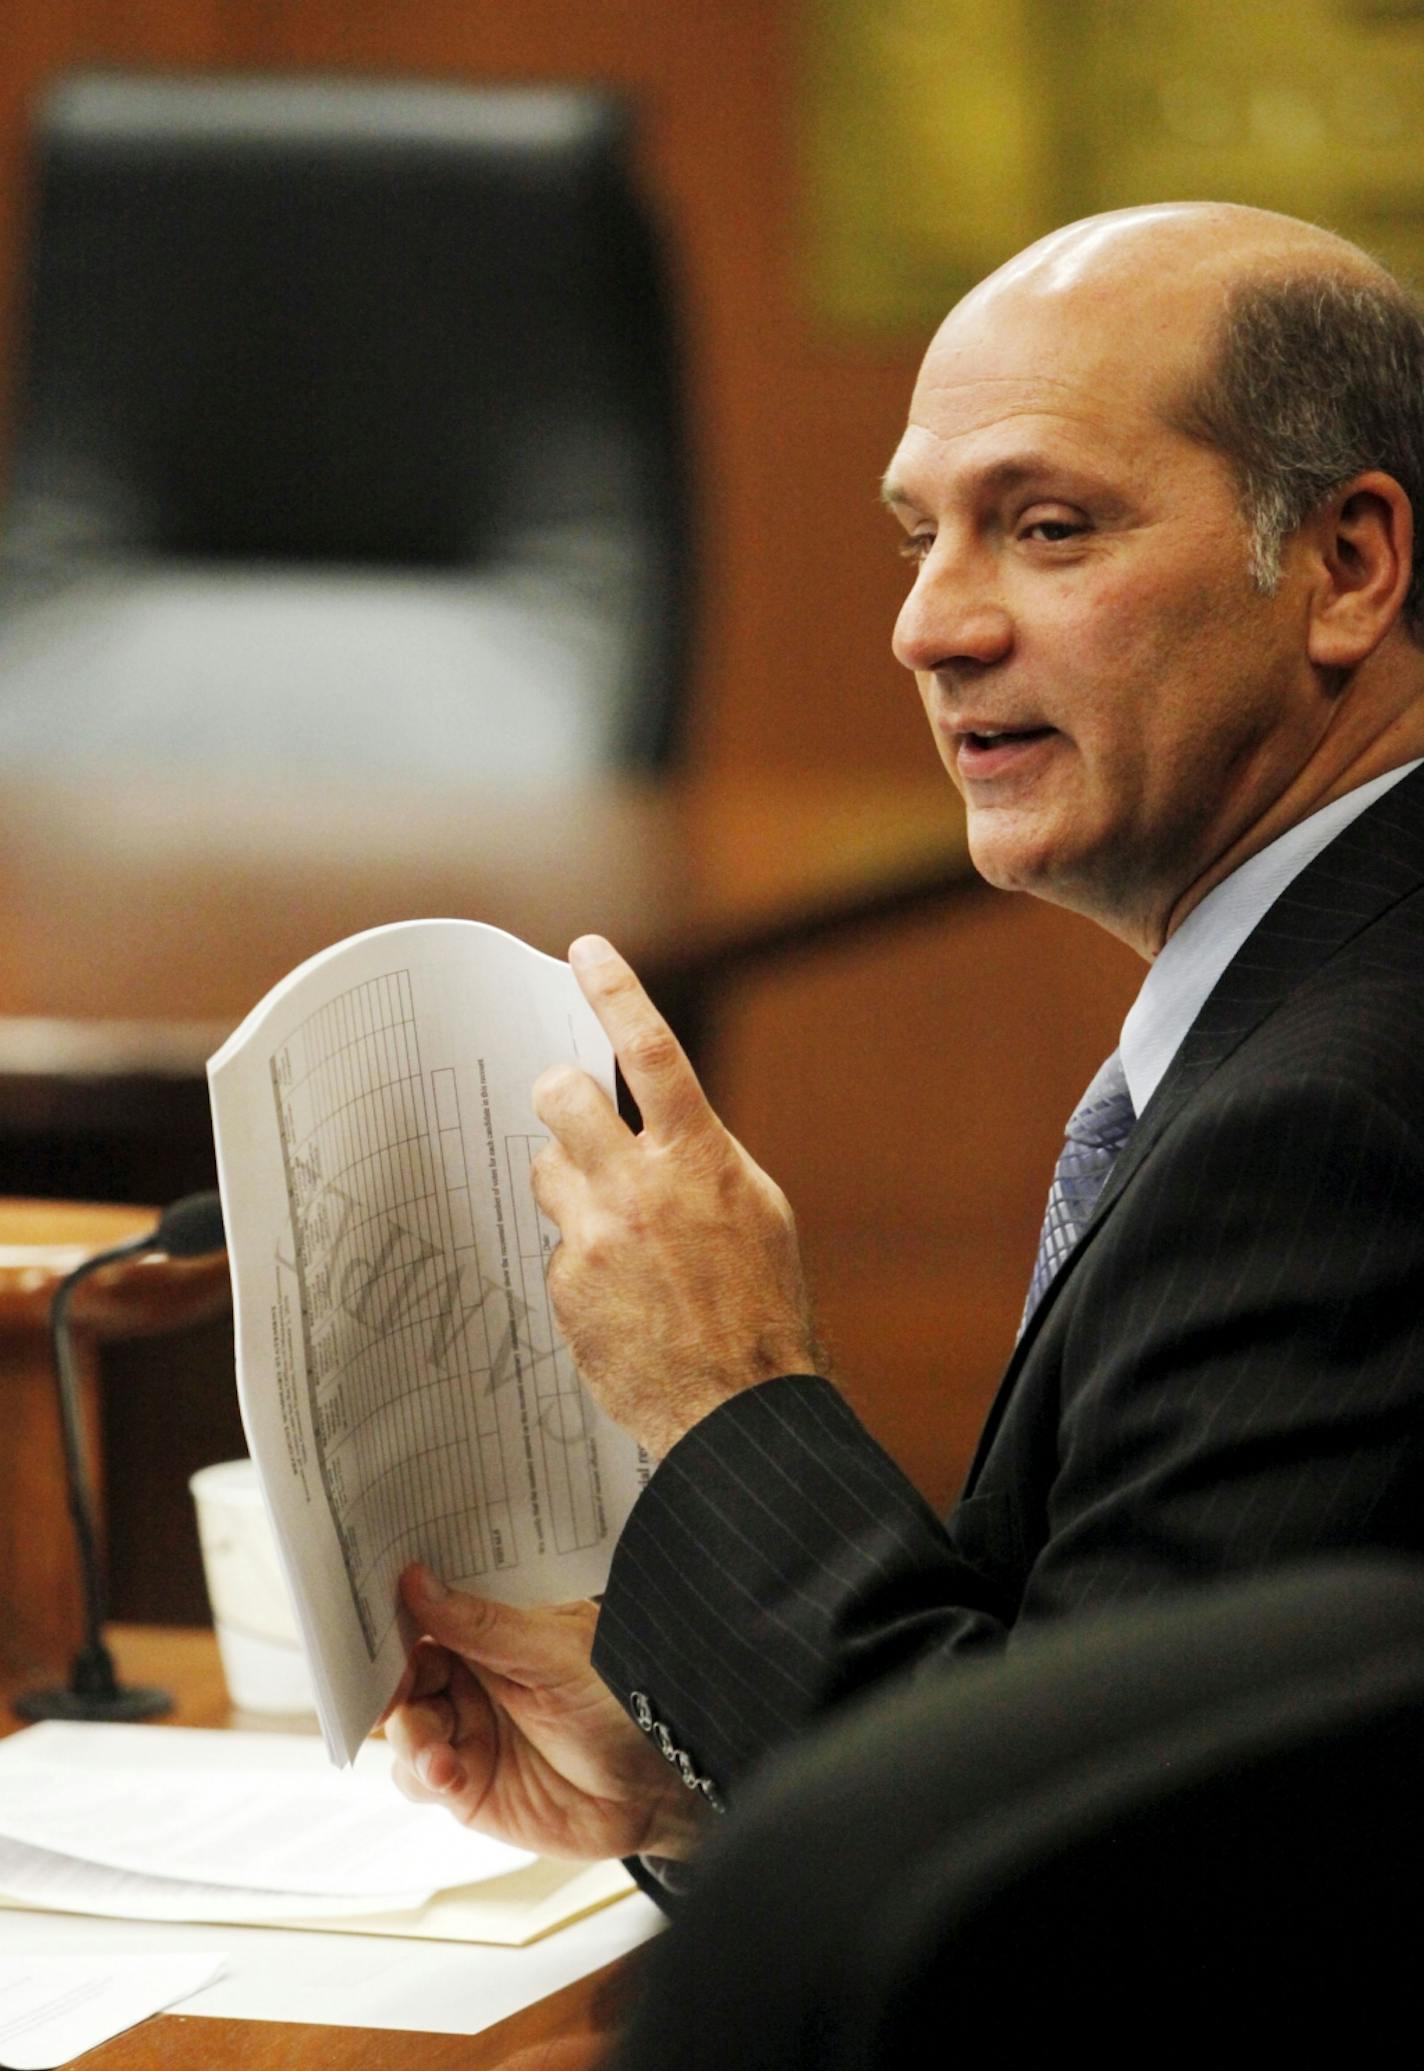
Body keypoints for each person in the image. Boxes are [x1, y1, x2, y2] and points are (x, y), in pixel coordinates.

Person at [384, 200, 1424, 1888]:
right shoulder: (1318, 1002)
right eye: (917, 538)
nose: (932, 627)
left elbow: (1088, 1900)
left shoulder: (1331, 1129)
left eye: (1049, 527)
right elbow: (1103, 1726)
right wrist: (693, 1785)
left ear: (1347, 567)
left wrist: (729, 1390)